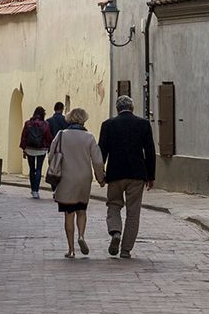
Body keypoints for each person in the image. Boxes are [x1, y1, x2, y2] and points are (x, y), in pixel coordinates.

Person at [97, 94, 157, 259]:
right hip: (137, 174)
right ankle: (126, 249)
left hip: (115, 173)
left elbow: (101, 152)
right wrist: (151, 176)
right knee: (133, 212)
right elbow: (150, 152)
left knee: (114, 205)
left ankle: (115, 231)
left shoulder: (108, 125)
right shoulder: (143, 124)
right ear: (132, 108)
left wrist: (100, 173)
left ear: (117, 109)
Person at [45, 107, 103, 258]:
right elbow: (97, 160)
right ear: (84, 119)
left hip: (66, 178)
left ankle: (71, 249)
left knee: (69, 213)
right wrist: (101, 178)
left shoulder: (61, 135)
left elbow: (51, 155)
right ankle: (81, 236)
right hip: (84, 178)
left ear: (70, 119)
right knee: (82, 211)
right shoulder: (89, 137)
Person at [18, 106, 52, 199]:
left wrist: (23, 149)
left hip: (30, 149)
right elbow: (48, 137)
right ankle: (36, 190)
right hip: (41, 149)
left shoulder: (28, 123)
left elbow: (24, 136)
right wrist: (49, 147)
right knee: (39, 169)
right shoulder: (45, 124)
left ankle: (33, 190)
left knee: (32, 169)